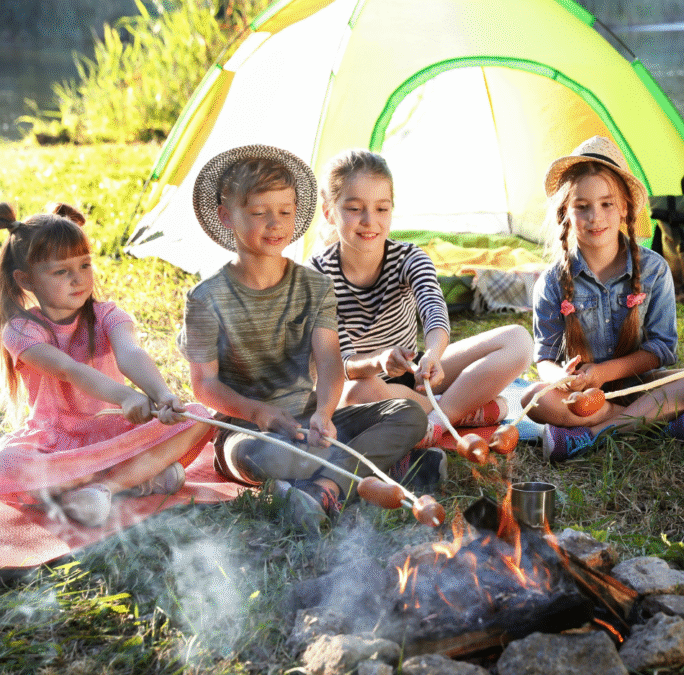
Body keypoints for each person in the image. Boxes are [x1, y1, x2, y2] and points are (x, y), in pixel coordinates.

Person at [178, 145, 428, 534]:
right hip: (248, 435)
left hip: (312, 426)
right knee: (275, 457)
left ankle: (324, 487)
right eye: (260, 213)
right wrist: (258, 413)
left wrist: (325, 413)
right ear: (227, 216)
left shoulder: (313, 285)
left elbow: (330, 363)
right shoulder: (206, 298)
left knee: (408, 414)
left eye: (285, 211)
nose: (275, 224)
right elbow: (204, 384)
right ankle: (386, 467)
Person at [0, 202, 213, 528]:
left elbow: (130, 354)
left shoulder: (107, 315)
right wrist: (125, 397)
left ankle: (104, 488)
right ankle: (138, 480)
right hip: (57, 445)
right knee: (6, 464)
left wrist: (161, 394)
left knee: (197, 417)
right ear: (26, 280)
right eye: (61, 271)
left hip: (116, 433)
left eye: (85, 265)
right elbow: (68, 369)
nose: (78, 279)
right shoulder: (20, 330)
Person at [308, 149, 532, 447]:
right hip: (364, 383)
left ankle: (440, 419)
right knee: (353, 394)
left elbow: (434, 309)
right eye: (354, 208)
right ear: (328, 211)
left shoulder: (409, 257)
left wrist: (433, 355)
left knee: (518, 339)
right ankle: (462, 408)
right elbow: (342, 365)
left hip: (413, 375)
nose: (369, 220)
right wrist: (379, 362)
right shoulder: (317, 275)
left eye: (381, 209)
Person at [524, 136, 684, 462]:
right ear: (566, 213)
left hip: (642, 386)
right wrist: (562, 379)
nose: (594, 217)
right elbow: (544, 358)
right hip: (583, 398)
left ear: (625, 207)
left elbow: (661, 350)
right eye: (581, 206)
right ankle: (655, 423)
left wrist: (604, 373)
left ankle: (596, 435)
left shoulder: (654, 269)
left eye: (606, 203)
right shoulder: (552, 281)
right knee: (534, 398)